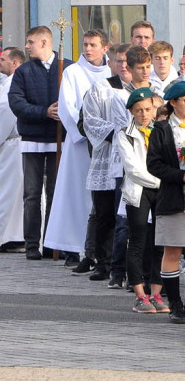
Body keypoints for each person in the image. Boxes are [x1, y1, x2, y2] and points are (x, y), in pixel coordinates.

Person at [147, 80, 185, 325]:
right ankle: (174, 303)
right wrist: (180, 175)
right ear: (173, 103)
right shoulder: (162, 129)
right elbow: (153, 164)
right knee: (172, 249)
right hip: (173, 196)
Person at [45, 29, 110, 266]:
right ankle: (72, 247)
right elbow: (67, 107)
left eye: (93, 44)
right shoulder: (72, 72)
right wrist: (87, 133)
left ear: (105, 48)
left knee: (100, 200)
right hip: (81, 144)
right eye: (85, 44)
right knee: (75, 195)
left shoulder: (111, 71)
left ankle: (98, 248)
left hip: (105, 145)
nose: (87, 49)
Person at [8, 27, 71, 261]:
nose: (27, 46)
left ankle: (53, 242)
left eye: (30, 42)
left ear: (44, 43)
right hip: (33, 138)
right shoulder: (23, 71)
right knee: (32, 194)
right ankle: (32, 243)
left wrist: (63, 113)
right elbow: (16, 102)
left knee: (57, 192)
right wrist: (44, 112)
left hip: (60, 139)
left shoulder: (67, 67)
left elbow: (76, 99)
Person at [81, 44, 139, 285]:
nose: (122, 66)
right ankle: (103, 263)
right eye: (118, 61)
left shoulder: (140, 90)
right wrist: (117, 134)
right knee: (104, 213)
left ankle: (125, 265)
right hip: (107, 157)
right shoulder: (100, 88)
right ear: (110, 63)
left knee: (126, 218)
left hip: (132, 159)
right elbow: (89, 120)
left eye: (126, 61)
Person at [116, 88, 164, 313]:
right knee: (137, 240)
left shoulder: (162, 130)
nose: (144, 114)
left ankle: (156, 293)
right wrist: (160, 181)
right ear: (132, 112)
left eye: (147, 109)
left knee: (159, 242)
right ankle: (139, 295)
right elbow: (133, 168)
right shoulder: (125, 133)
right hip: (139, 190)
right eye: (138, 111)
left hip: (160, 190)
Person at [0, 47, 26, 251]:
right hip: (13, 143)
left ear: (14, 63)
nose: (0, 63)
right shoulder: (8, 82)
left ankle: (12, 236)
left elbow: (5, 113)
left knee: (10, 192)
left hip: (11, 141)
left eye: (2, 59)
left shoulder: (13, 83)